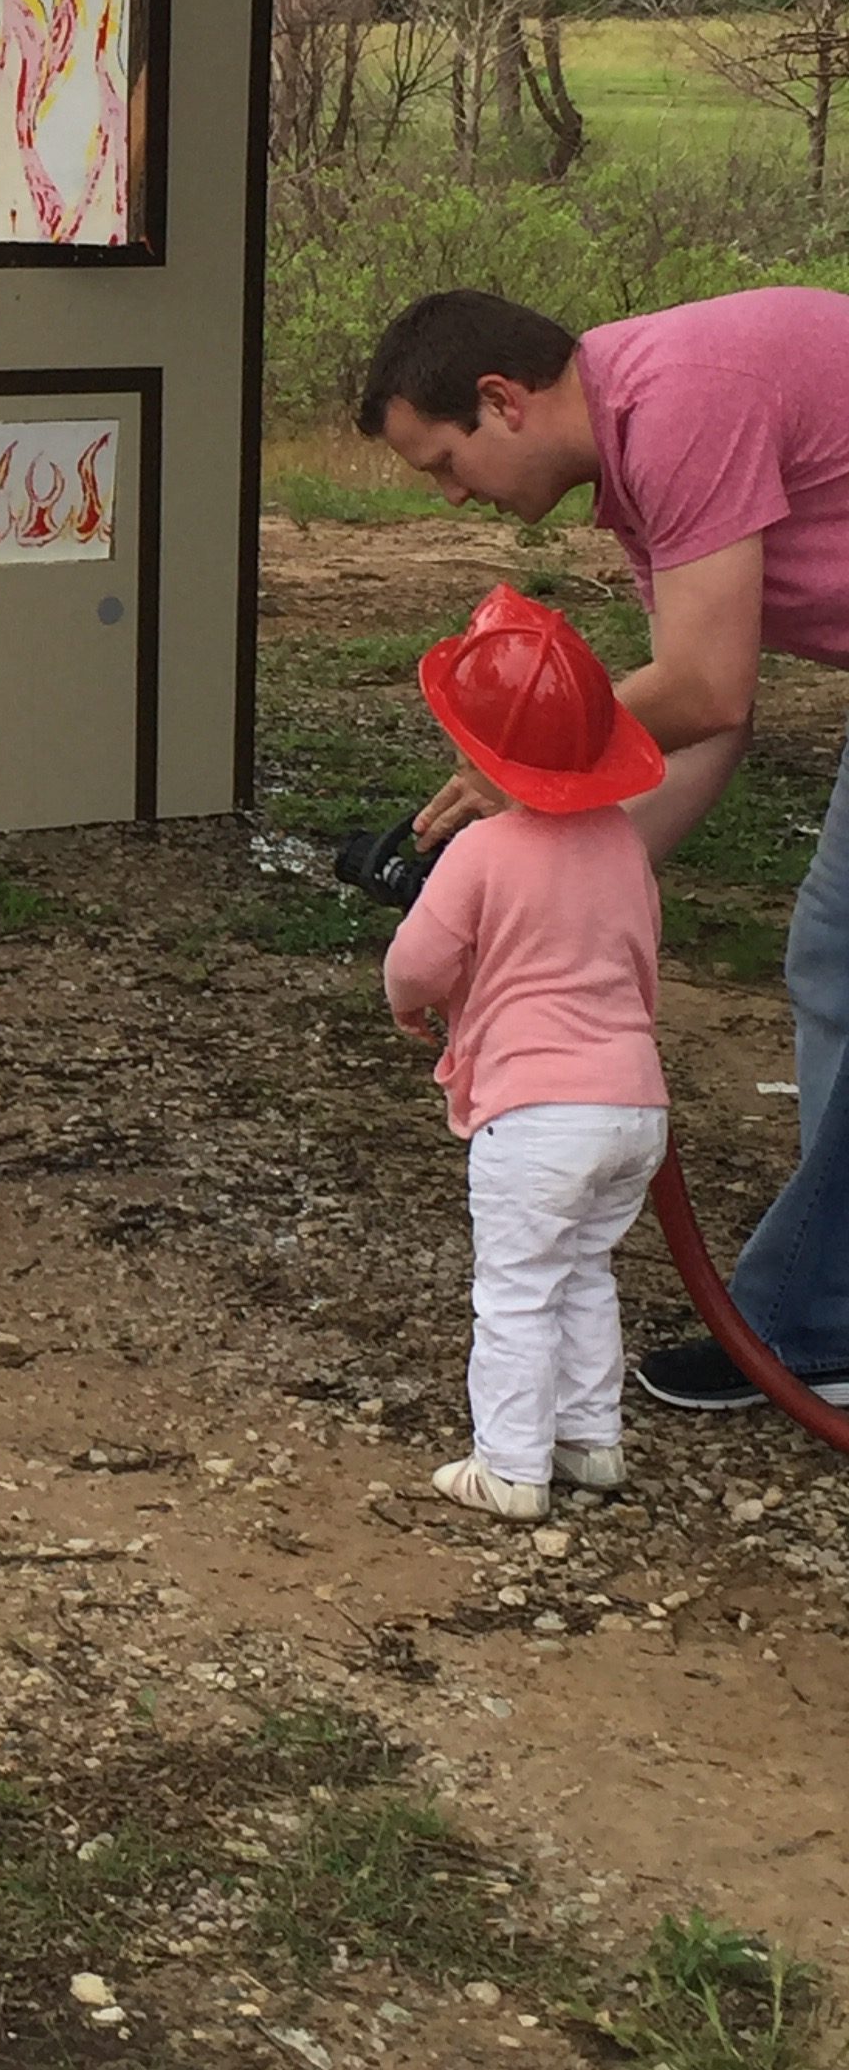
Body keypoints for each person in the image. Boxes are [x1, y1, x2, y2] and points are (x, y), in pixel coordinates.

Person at [357, 283, 849, 1411]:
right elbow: (706, 720)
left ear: (502, 402)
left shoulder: (682, 406)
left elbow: (701, 686)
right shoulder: (633, 460)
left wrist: (522, 771)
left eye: (445, 464)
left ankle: (811, 1325)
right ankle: (822, 1323)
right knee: (834, 960)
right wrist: (560, 881)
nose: (450, 496)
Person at [385, 587, 670, 1517]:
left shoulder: (481, 851)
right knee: (584, 1269)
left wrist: (410, 1005)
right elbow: (642, 960)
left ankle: (510, 1466)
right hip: (633, 1108)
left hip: (536, 1116)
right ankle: (591, 1440)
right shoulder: (623, 844)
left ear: (478, 751)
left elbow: (419, 961)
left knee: (515, 1287)